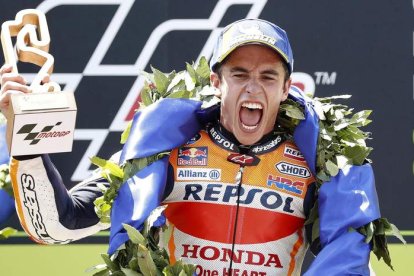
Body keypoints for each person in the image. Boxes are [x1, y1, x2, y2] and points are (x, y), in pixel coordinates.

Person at [0, 18, 380, 275]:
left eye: (267, 76)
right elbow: (55, 226)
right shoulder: (165, 148)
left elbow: (349, 255)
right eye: (239, 74)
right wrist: (26, 138)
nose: (252, 88)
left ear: (286, 88)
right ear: (216, 81)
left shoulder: (320, 164)